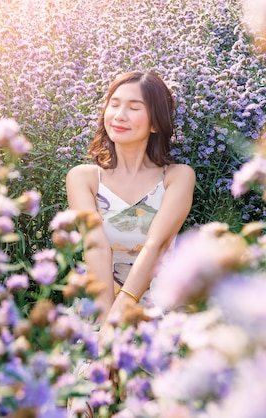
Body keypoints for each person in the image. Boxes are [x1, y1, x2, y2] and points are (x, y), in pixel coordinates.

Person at [66, 70, 195, 326]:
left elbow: (156, 246)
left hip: (159, 311)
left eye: (134, 108)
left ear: (155, 123)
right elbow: (98, 251)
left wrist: (118, 320)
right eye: (114, 105)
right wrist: (106, 326)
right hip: (102, 306)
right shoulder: (84, 178)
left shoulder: (177, 177)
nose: (119, 115)